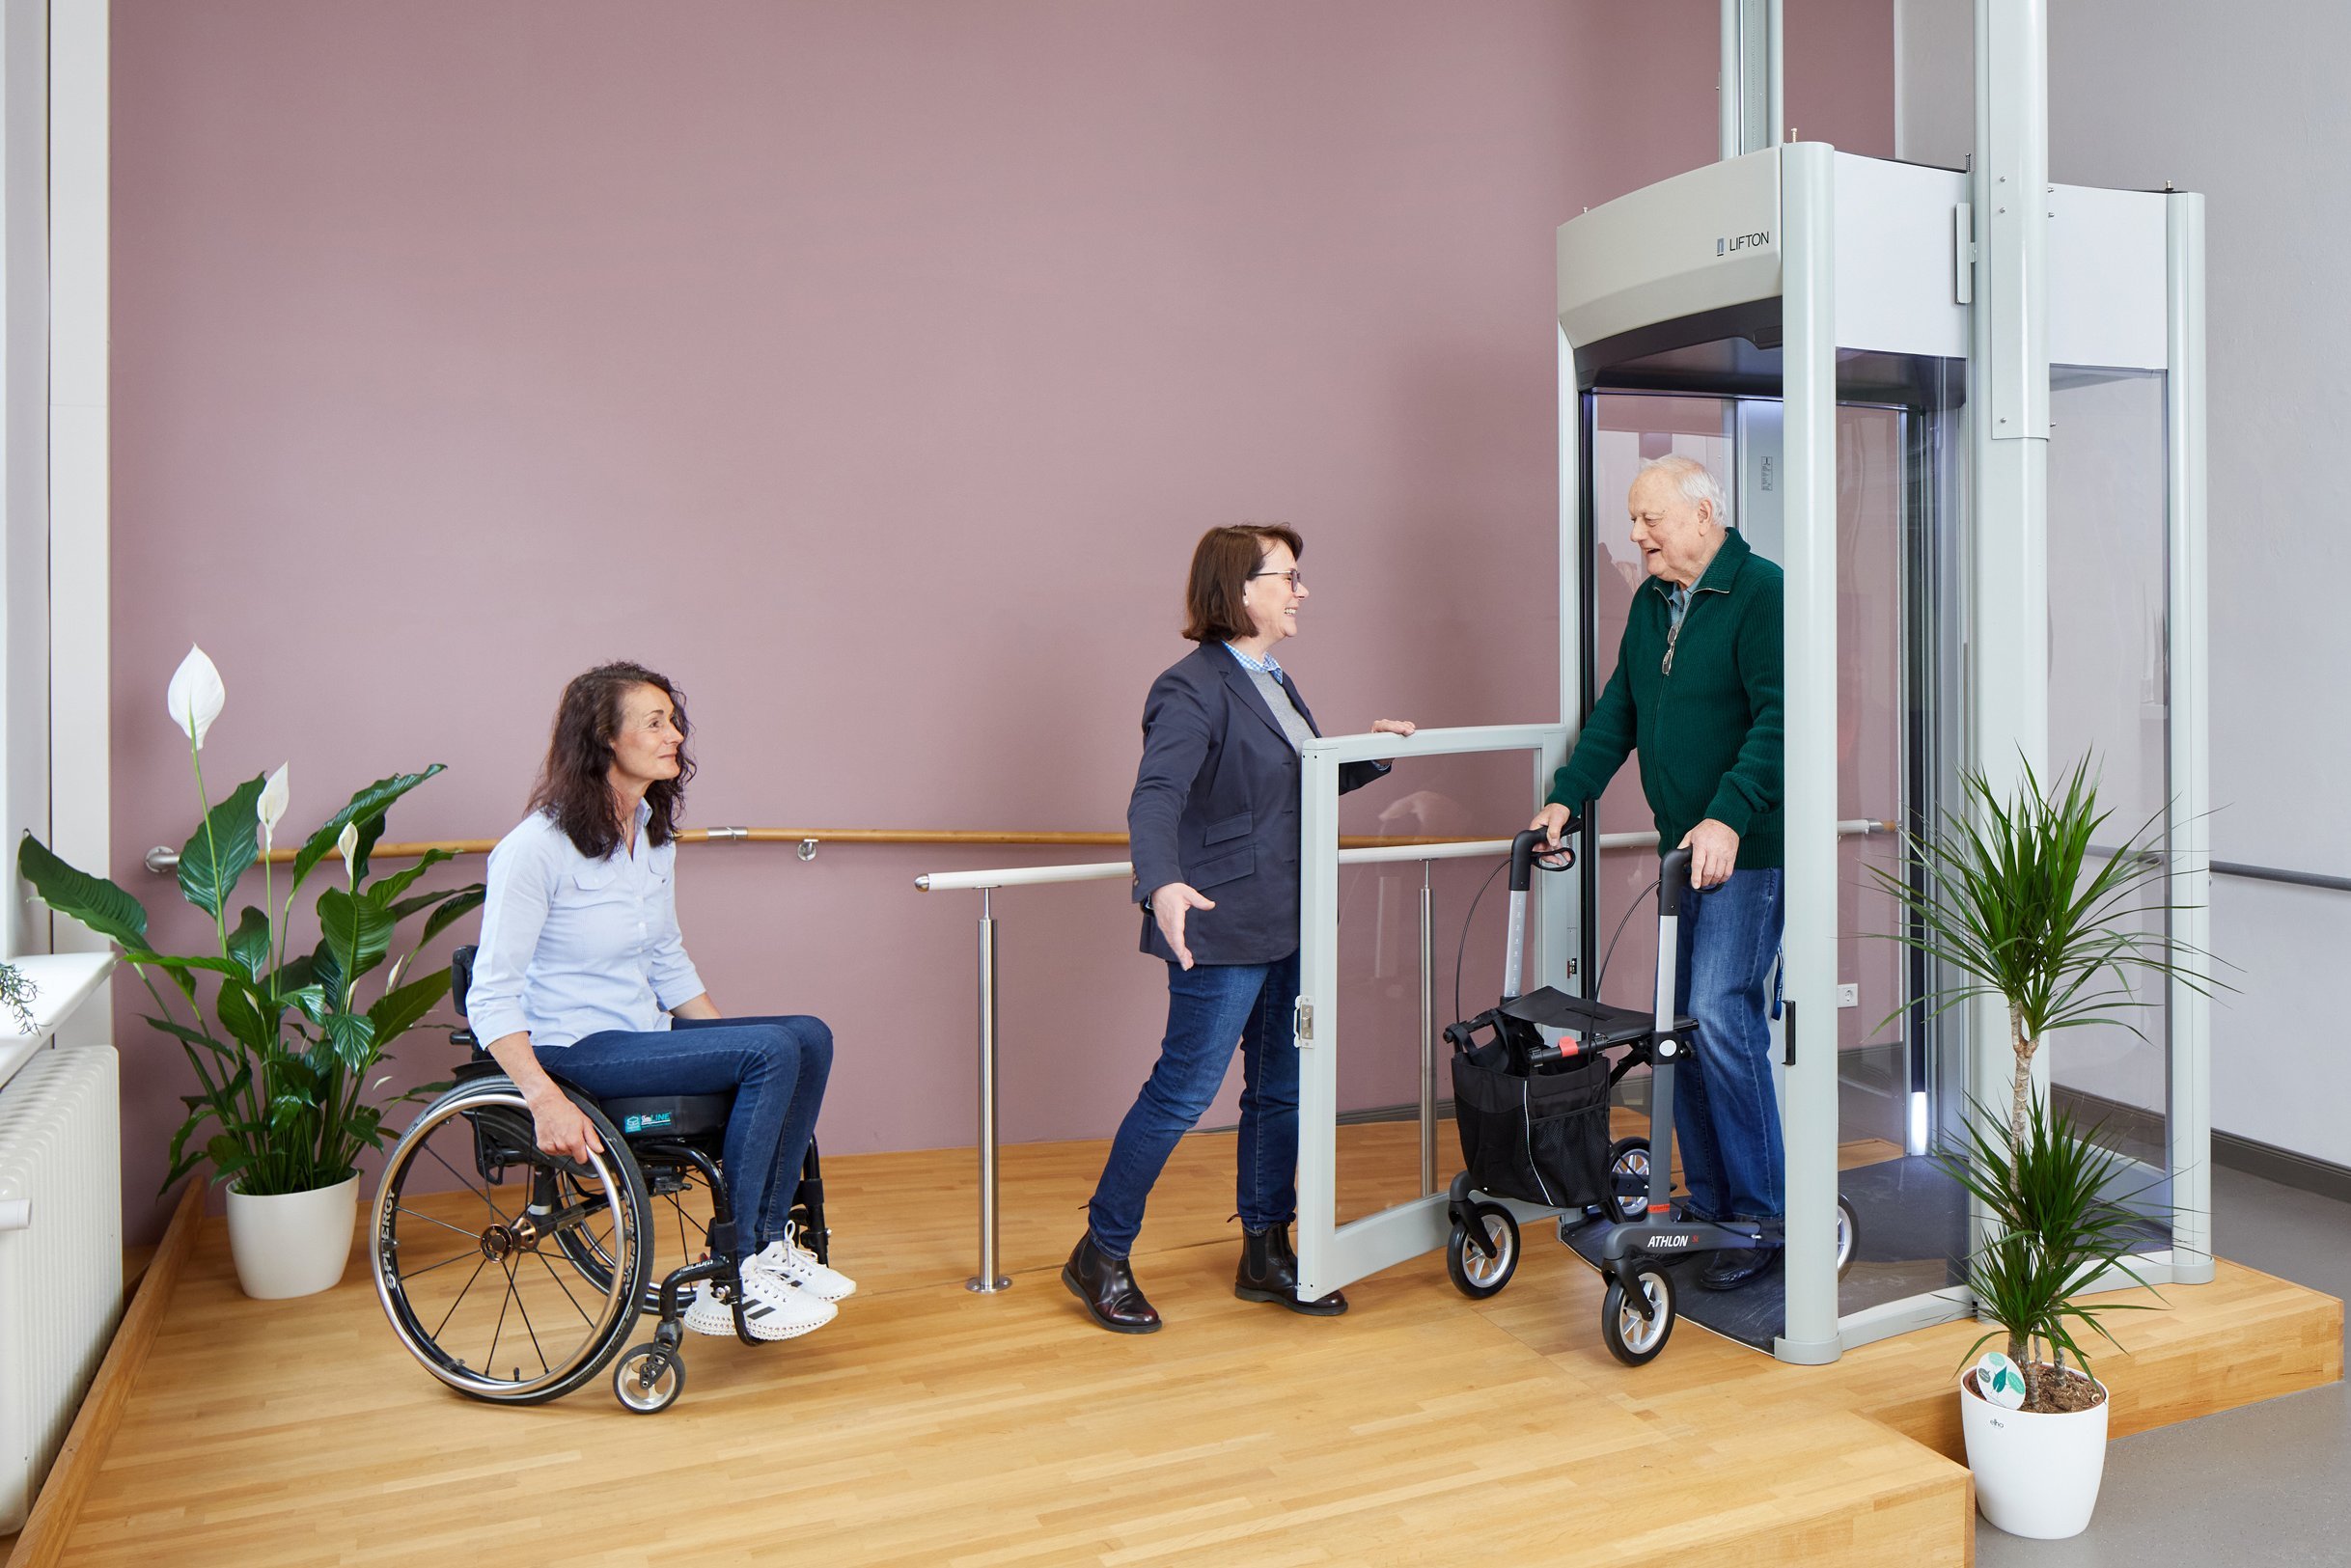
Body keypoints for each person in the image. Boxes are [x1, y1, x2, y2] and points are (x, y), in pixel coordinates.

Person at [1065, 525, 1416, 1333]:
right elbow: (1156, 794)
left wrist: (1364, 754)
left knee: (1280, 1089)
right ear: (1241, 588)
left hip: (1290, 924)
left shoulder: (1274, 680)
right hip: (1221, 925)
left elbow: (1292, 783)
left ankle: (1265, 1250)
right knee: (1184, 1091)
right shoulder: (1188, 688)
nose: (1300, 590)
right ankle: (1101, 1249)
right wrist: (1161, 882)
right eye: (1288, 576)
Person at [467, 661, 856, 1340]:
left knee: (808, 1035)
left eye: (673, 720)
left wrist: (728, 1046)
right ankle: (736, 1260)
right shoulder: (534, 849)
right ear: (604, 738)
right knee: (769, 1049)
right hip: (574, 1048)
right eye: (655, 722)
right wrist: (542, 1097)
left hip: (638, 1039)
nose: (674, 734)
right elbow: (492, 992)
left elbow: (665, 960)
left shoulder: (649, 834)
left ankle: (764, 1245)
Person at [1532, 454, 1785, 1291]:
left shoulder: (1761, 593)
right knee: (1681, 1025)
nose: (1635, 534)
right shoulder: (1651, 604)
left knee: (1719, 1013)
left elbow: (1781, 721)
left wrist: (1729, 812)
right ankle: (1714, 1207)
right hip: (1685, 850)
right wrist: (1566, 799)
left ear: (1703, 515)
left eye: (1650, 519)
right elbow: (1620, 714)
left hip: (1747, 849)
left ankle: (1763, 1215)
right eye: (1634, 521)